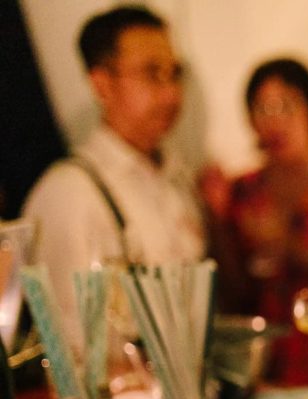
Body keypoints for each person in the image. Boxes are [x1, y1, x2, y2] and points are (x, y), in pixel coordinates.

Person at [23, 5, 204, 350]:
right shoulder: (71, 192)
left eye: (174, 74)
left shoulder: (176, 178)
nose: (171, 95)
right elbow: (74, 347)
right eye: (152, 74)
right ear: (102, 84)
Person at [201, 58, 308, 385]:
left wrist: (287, 244)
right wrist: (215, 219)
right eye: (262, 109)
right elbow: (234, 293)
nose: (274, 121)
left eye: (286, 106)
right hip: (267, 360)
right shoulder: (243, 189)